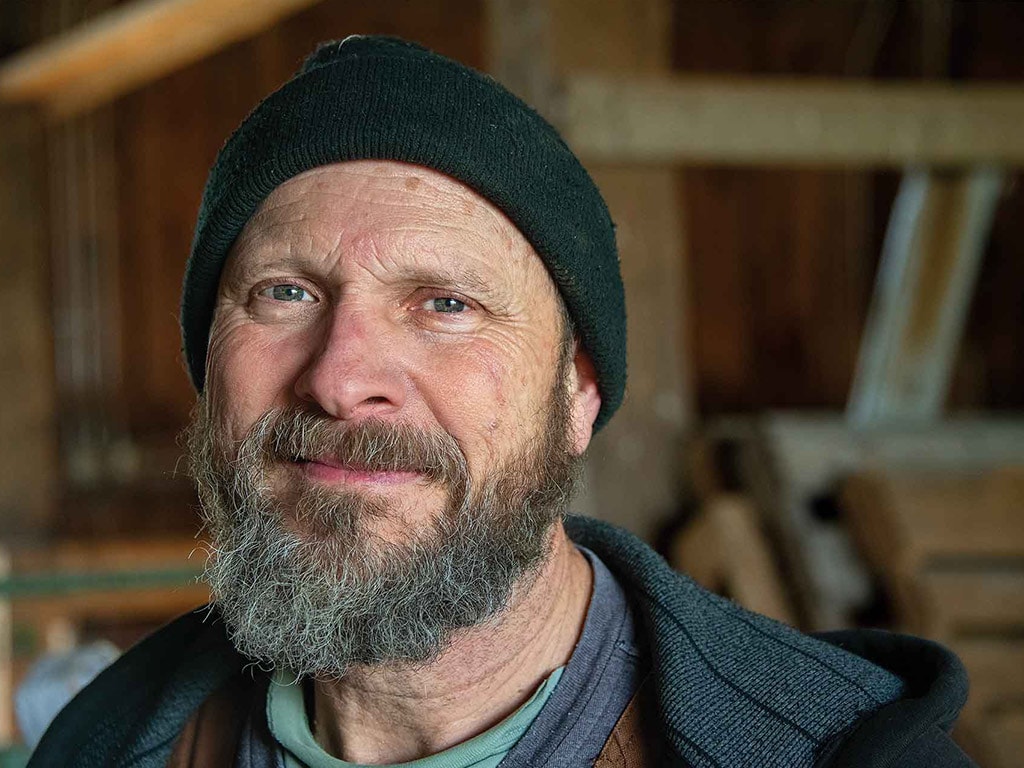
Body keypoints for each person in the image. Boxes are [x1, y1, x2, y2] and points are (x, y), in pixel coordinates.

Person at [30, 36, 976, 768]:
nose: (341, 375)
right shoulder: (105, 743)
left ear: (578, 393)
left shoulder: (837, 756)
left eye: (447, 304)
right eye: (286, 293)